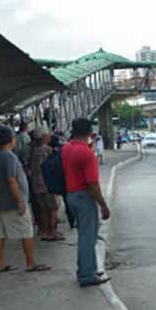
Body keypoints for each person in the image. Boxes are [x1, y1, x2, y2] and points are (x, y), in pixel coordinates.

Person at [0, 125, 51, 274]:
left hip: (0, 202)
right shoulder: (9, 157)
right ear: (11, 139)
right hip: (13, 202)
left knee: (0, 234)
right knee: (26, 231)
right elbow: (12, 180)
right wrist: (19, 200)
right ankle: (30, 263)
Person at [63, 118, 111, 287]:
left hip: (71, 195)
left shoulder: (67, 148)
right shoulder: (86, 153)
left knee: (85, 235)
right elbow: (92, 184)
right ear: (90, 132)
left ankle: (86, 269)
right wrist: (103, 205)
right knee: (88, 238)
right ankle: (86, 275)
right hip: (84, 197)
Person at [28, 128, 63, 241]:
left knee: (43, 209)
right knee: (52, 209)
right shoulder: (47, 150)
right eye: (47, 135)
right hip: (47, 184)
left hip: (36, 184)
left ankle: (44, 231)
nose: (49, 137)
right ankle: (51, 232)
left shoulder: (33, 150)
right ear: (43, 137)